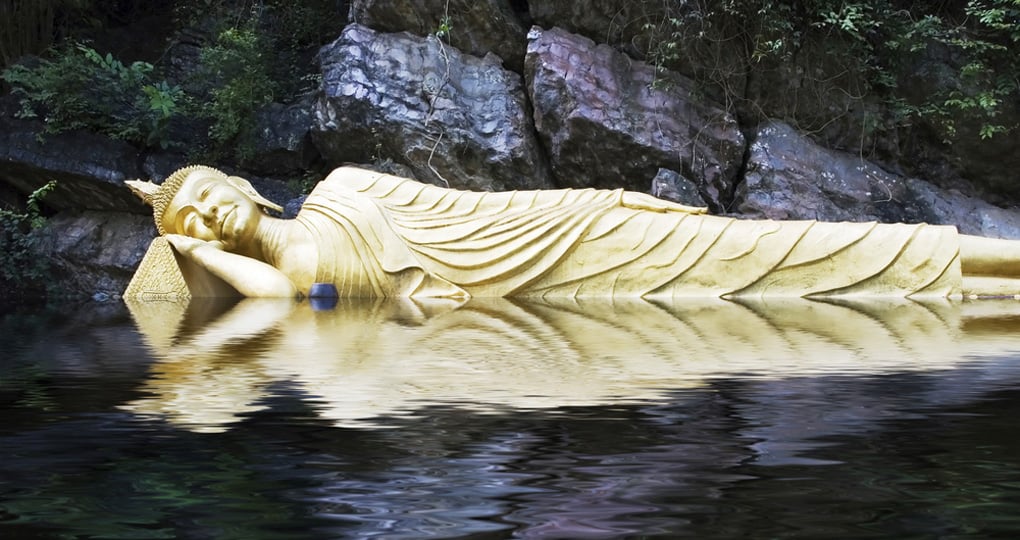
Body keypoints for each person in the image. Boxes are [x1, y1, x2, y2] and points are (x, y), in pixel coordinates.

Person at [125, 164, 1020, 299]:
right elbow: (288, 297)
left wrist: (602, 198)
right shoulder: (290, 276)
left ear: (241, 183)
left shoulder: (345, 188)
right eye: (192, 222)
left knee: (794, 248)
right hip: (550, 297)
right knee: (791, 281)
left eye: (203, 195)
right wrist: (191, 251)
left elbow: (484, 208)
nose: (205, 214)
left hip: (572, 237)